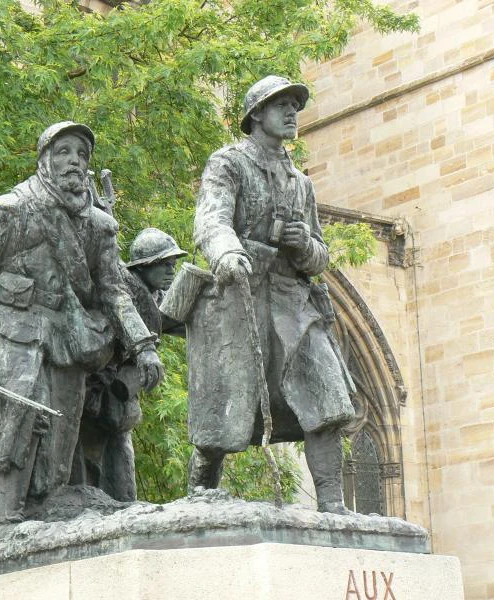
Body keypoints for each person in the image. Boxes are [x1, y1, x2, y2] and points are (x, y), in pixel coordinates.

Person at [0, 122, 164, 521]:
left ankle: (42, 512)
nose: (74, 160)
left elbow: (115, 292)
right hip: (9, 333)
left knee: (59, 442)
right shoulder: (11, 210)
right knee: (16, 425)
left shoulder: (98, 226)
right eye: (64, 151)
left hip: (64, 339)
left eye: (82, 154)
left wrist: (144, 346)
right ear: (44, 160)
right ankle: (8, 516)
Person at [191, 76, 356, 514]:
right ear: (255, 115)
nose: (291, 113)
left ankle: (333, 504)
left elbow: (320, 257)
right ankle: (201, 494)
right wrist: (227, 253)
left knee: (327, 396)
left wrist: (305, 246)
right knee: (225, 410)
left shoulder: (300, 181)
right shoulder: (229, 163)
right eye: (280, 105)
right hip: (242, 296)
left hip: (293, 304)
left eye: (294, 105)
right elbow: (212, 220)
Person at [75, 228, 187, 501]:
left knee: (119, 449)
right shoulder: (122, 291)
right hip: (96, 387)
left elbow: (172, 323)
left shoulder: (155, 295)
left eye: (173, 264)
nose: (171, 271)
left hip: (119, 394)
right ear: (143, 267)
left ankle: (123, 502)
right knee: (88, 455)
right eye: (164, 264)